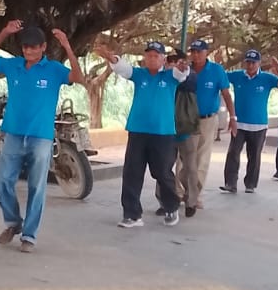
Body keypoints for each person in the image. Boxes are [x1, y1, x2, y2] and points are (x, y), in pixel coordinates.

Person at [0, 19, 84, 252]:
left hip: (41, 137)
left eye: (34, 47)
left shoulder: (54, 69)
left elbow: (77, 77)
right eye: (25, 47)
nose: (29, 51)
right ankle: (13, 223)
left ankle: (29, 235)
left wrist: (67, 46)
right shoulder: (14, 65)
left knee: (36, 186)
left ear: (43, 47)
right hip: (13, 134)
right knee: (1, 180)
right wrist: (4, 32)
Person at [92, 39, 188, 227]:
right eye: (149, 55)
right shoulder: (139, 75)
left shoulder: (170, 76)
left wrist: (184, 67)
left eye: (156, 56)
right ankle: (132, 214)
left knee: (162, 172)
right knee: (132, 172)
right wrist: (112, 58)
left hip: (163, 133)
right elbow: (124, 69)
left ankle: (171, 207)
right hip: (137, 131)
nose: (152, 59)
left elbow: (182, 74)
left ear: (163, 59)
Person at [221, 50, 278, 194]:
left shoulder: (267, 78)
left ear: (259, 63)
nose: (250, 65)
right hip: (239, 124)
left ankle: (250, 184)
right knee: (233, 153)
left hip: (259, 125)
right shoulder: (237, 76)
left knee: (254, 156)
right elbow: (221, 77)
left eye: (253, 63)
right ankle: (230, 183)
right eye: (248, 62)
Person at [185, 39, 236, 211]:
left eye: (199, 51)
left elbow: (226, 94)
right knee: (182, 158)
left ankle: (195, 196)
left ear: (206, 52)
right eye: (193, 51)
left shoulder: (216, 70)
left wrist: (232, 117)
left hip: (207, 120)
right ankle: (179, 192)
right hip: (186, 119)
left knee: (201, 158)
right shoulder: (185, 69)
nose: (196, 55)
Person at [170, 48, 202, 216]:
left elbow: (188, 83)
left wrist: (182, 71)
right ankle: (165, 200)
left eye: (176, 61)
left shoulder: (190, 77)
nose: (172, 64)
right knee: (164, 167)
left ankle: (191, 201)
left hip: (186, 128)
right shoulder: (163, 78)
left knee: (190, 167)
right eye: (170, 61)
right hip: (167, 129)